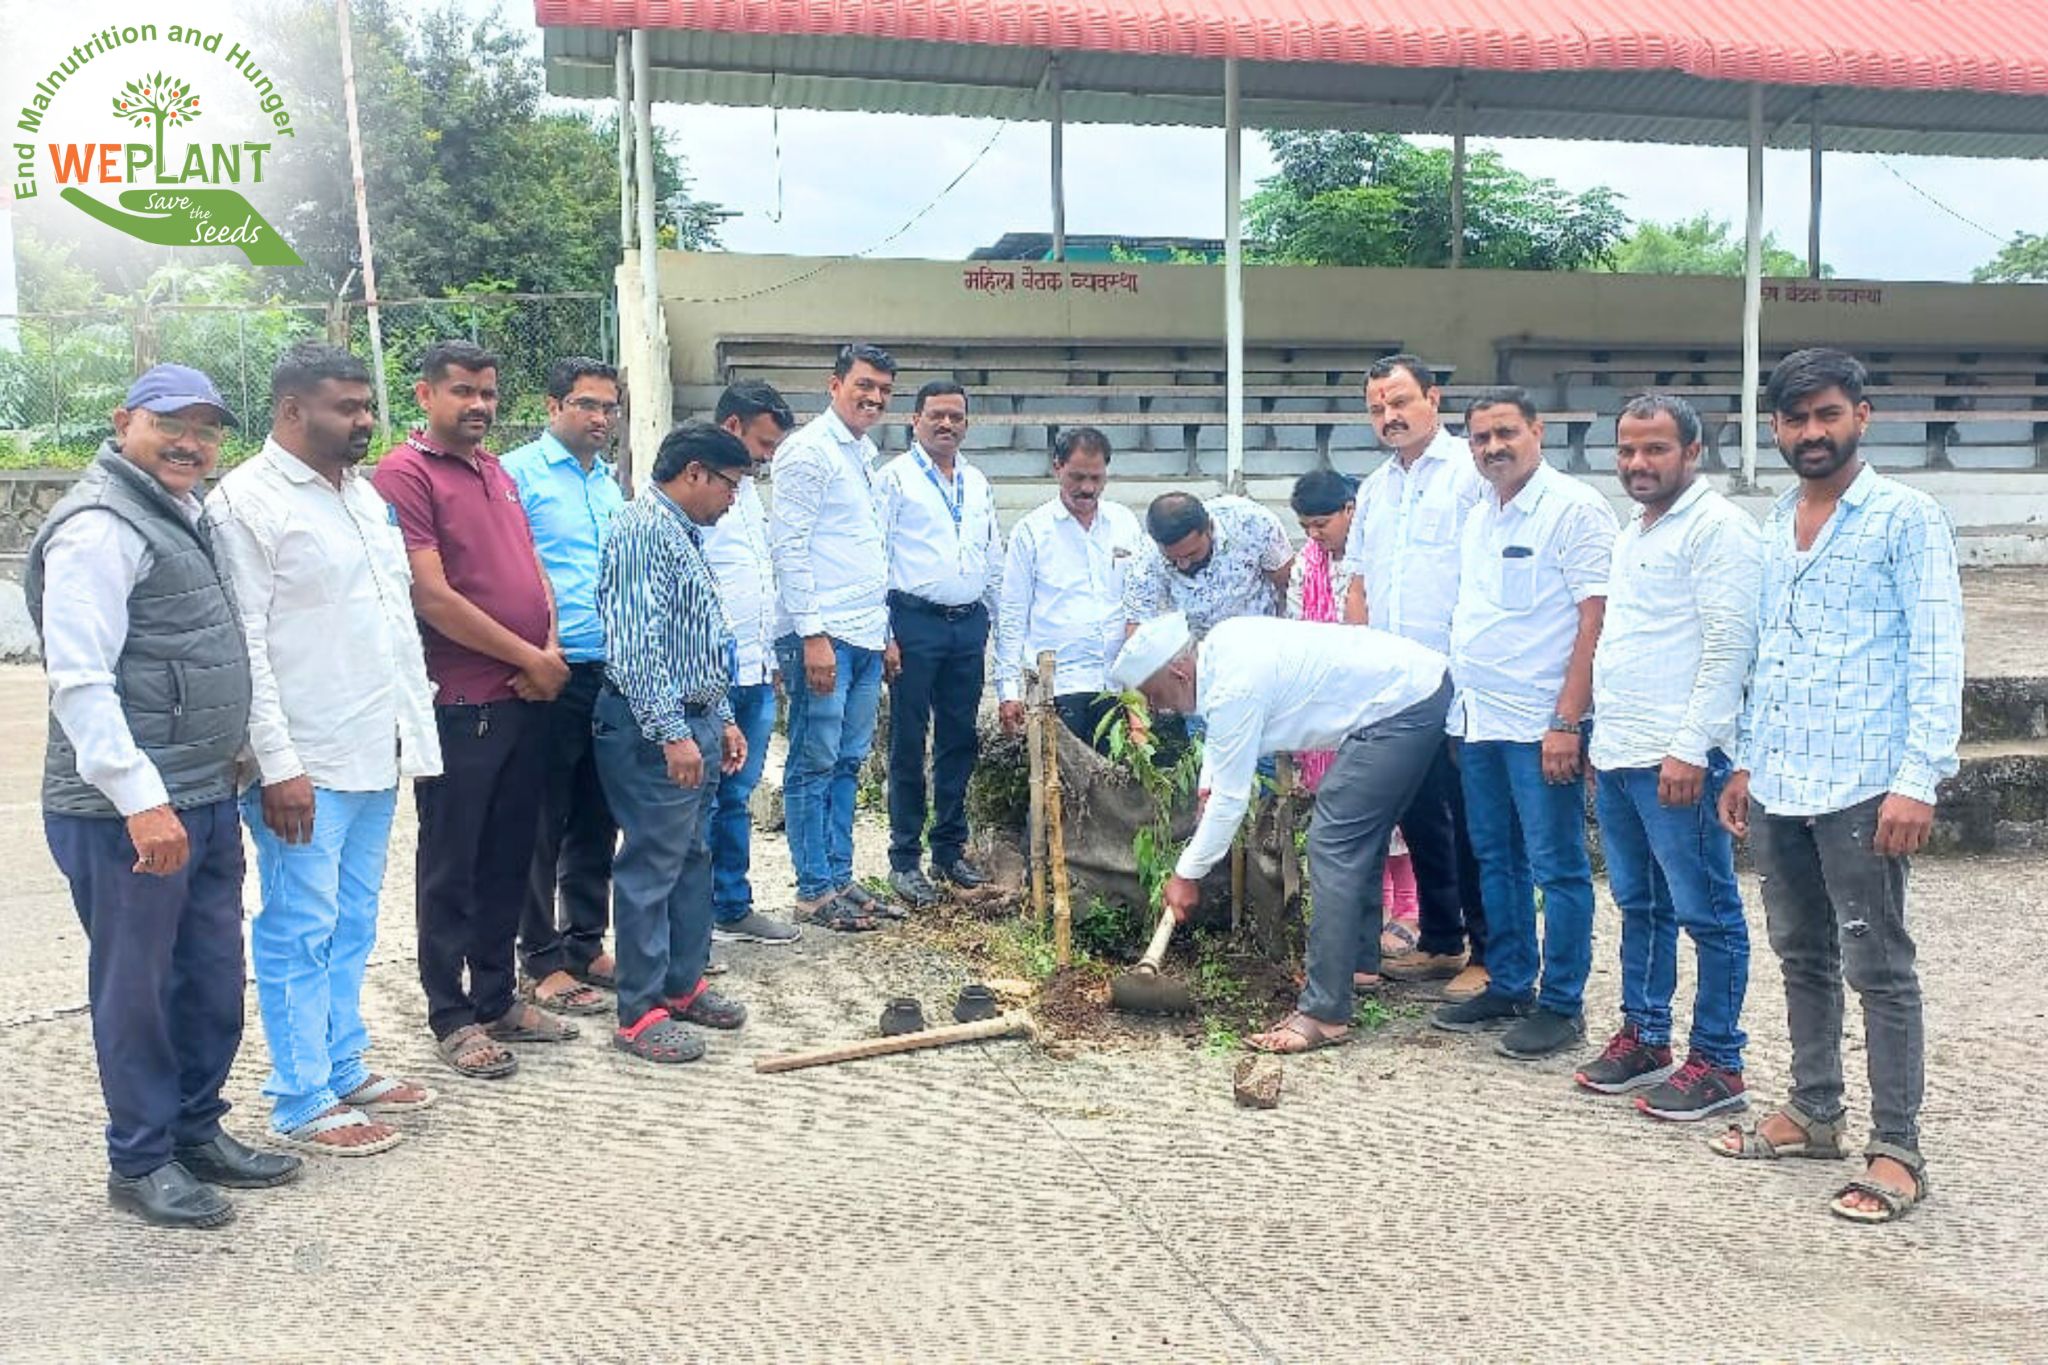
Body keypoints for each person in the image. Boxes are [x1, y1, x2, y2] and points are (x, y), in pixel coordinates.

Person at [27, 363, 302, 1228]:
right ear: (124, 422)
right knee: (138, 989)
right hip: (129, 812)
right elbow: (80, 679)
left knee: (209, 976)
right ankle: (141, 1159)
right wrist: (140, 800)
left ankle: (194, 1127)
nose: (191, 442)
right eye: (170, 424)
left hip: (203, 792)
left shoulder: (182, 511)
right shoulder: (99, 527)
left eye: (206, 429)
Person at [1712, 348, 1962, 1225]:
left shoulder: (1906, 518)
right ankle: (1814, 1109)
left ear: (1862, 414)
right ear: (1775, 428)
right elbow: (1768, 652)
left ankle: (1898, 1148)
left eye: (1827, 414)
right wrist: (1747, 760)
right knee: (1801, 954)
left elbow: (1937, 651)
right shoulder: (1776, 519)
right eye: (1795, 418)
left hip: (1865, 781)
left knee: (1878, 965)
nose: (1811, 432)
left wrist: (1918, 778)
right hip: (1782, 777)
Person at [205, 343, 442, 1159]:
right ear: (291, 410)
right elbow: (246, 645)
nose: (364, 420)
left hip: (373, 745)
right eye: (347, 407)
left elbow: (391, 625)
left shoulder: (362, 497)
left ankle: (343, 1062)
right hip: (302, 763)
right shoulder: (247, 503)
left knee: (352, 920)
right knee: (298, 925)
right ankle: (300, 1093)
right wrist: (277, 765)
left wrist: (411, 730)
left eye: (367, 405)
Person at [371, 341, 578, 1080]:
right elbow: (431, 595)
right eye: (463, 391)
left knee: (509, 858)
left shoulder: (497, 470)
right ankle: (451, 1014)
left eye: (488, 392)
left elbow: (535, 570)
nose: (479, 405)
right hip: (461, 706)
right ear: (425, 395)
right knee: (451, 866)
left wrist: (548, 649)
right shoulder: (405, 474)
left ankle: (496, 997)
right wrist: (530, 657)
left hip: (524, 698)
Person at [1107, 613, 1451, 1053]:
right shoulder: (1222, 653)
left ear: (1178, 671)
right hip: (1411, 691)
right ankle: (1355, 966)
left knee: (1333, 842)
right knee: (1353, 834)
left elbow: (1231, 801)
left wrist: (1186, 874)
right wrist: (1209, 784)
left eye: (1155, 694)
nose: (1157, 708)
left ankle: (1325, 1014)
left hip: (1403, 703)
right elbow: (1225, 744)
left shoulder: (1233, 684)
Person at [1575, 393, 1760, 1122]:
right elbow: (1627, 639)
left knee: (1707, 913)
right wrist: (1600, 738)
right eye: (1627, 450)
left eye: (1655, 449)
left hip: (1679, 759)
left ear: (1693, 452)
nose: (1638, 463)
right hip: (1623, 750)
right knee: (1640, 905)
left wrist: (1692, 748)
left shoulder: (1719, 529)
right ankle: (1646, 1038)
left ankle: (1719, 1059)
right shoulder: (1635, 530)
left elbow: (1729, 646)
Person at [1432, 387, 1618, 1061]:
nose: (1493, 447)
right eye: (1481, 438)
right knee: (1495, 857)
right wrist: (1461, 715)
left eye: (1506, 432)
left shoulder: (1574, 509)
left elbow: (1596, 619)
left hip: (1543, 723)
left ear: (1538, 431)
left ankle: (1562, 1004)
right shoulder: (1480, 514)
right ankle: (1510, 983)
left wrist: (1568, 720)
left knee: (1557, 865)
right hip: (1480, 719)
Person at [595, 423, 753, 1064]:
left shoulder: (680, 532)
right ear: (694, 473)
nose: (732, 500)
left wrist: (722, 717)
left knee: (691, 856)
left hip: (696, 719)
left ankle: (682, 983)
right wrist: (672, 732)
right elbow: (637, 646)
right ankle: (638, 1012)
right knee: (652, 865)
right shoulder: (642, 531)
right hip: (653, 728)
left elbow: (697, 640)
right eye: (729, 485)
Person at [1343, 354, 1492, 1002]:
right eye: (1377, 408)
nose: (1389, 416)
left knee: (1471, 818)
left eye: (1400, 401)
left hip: (1458, 680)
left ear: (1434, 398)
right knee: (1420, 813)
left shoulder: (1470, 474)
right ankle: (1440, 937)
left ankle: (1489, 950)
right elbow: (1358, 582)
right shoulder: (1376, 488)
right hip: (1395, 685)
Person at [502, 357, 625, 1017]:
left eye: (609, 407)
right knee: (540, 818)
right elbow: (506, 572)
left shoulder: (608, 482)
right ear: (553, 407)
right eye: (587, 404)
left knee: (596, 814)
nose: (600, 418)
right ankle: (540, 959)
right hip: (550, 670)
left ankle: (584, 940)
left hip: (609, 670)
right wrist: (530, 655)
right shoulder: (517, 475)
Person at [770, 342, 898, 933]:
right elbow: (789, 547)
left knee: (847, 762)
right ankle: (813, 889)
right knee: (814, 762)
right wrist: (812, 635)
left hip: (865, 635)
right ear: (835, 384)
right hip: (826, 637)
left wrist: (885, 631)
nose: (873, 398)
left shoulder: (862, 453)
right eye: (864, 385)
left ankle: (840, 878)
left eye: (884, 390)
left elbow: (865, 548)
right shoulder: (808, 452)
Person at [875, 381, 1005, 908]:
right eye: (936, 415)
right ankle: (904, 859)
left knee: (959, 739)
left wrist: (995, 620)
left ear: (967, 424)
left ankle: (949, 851)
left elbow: (991, 555)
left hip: (967, 624)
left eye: (956, 416)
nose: (946, 424)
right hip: (914, 623)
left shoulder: (977, 481)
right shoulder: (894, 479)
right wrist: (884, 633)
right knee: (909, 742)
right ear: (915, 420)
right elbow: (878, 555)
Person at [1286, 470, 1420, 967]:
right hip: (1329, 699)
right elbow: (1299, 626)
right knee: (1352, 815)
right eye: (1306, 526)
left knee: (1394, 816)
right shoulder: (1306, 564)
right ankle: (1377, 913)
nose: (1314, 534)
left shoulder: (1378, 557)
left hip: (1381, 696)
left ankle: (1409, 909)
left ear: (1350, 510)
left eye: (1321, 523)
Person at [705, 380, 804, 947]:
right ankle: (692, 921)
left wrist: (768, 656)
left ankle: (731, 905)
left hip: (754, 671)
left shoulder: (745, 495)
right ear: (732, 427)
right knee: (701, 802)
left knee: (736, 797)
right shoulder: (695, 491)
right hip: (712, 674)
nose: (768, 458)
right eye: (763, 444)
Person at [995, 426, 1144, 750]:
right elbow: (1012, 613)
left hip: (1117, 685)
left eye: (1096, 478)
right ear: (1057, 467)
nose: (1087, 488)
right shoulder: (1031, 532)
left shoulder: (1125, 523)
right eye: (1077, 477)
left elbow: (1141, 603)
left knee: (1119, 780)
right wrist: (1008, 690)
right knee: (1059, 779)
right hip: (1059, 687)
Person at [1123, 490, 1292, 639]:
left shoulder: (1252, 522)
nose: (1183, 565)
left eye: (1191, 554)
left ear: (1209, 528)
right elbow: (1137, 630)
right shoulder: (1144, 556)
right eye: (1172, 559)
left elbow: (1288, 584)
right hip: (1195, 651)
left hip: (1260, 637)